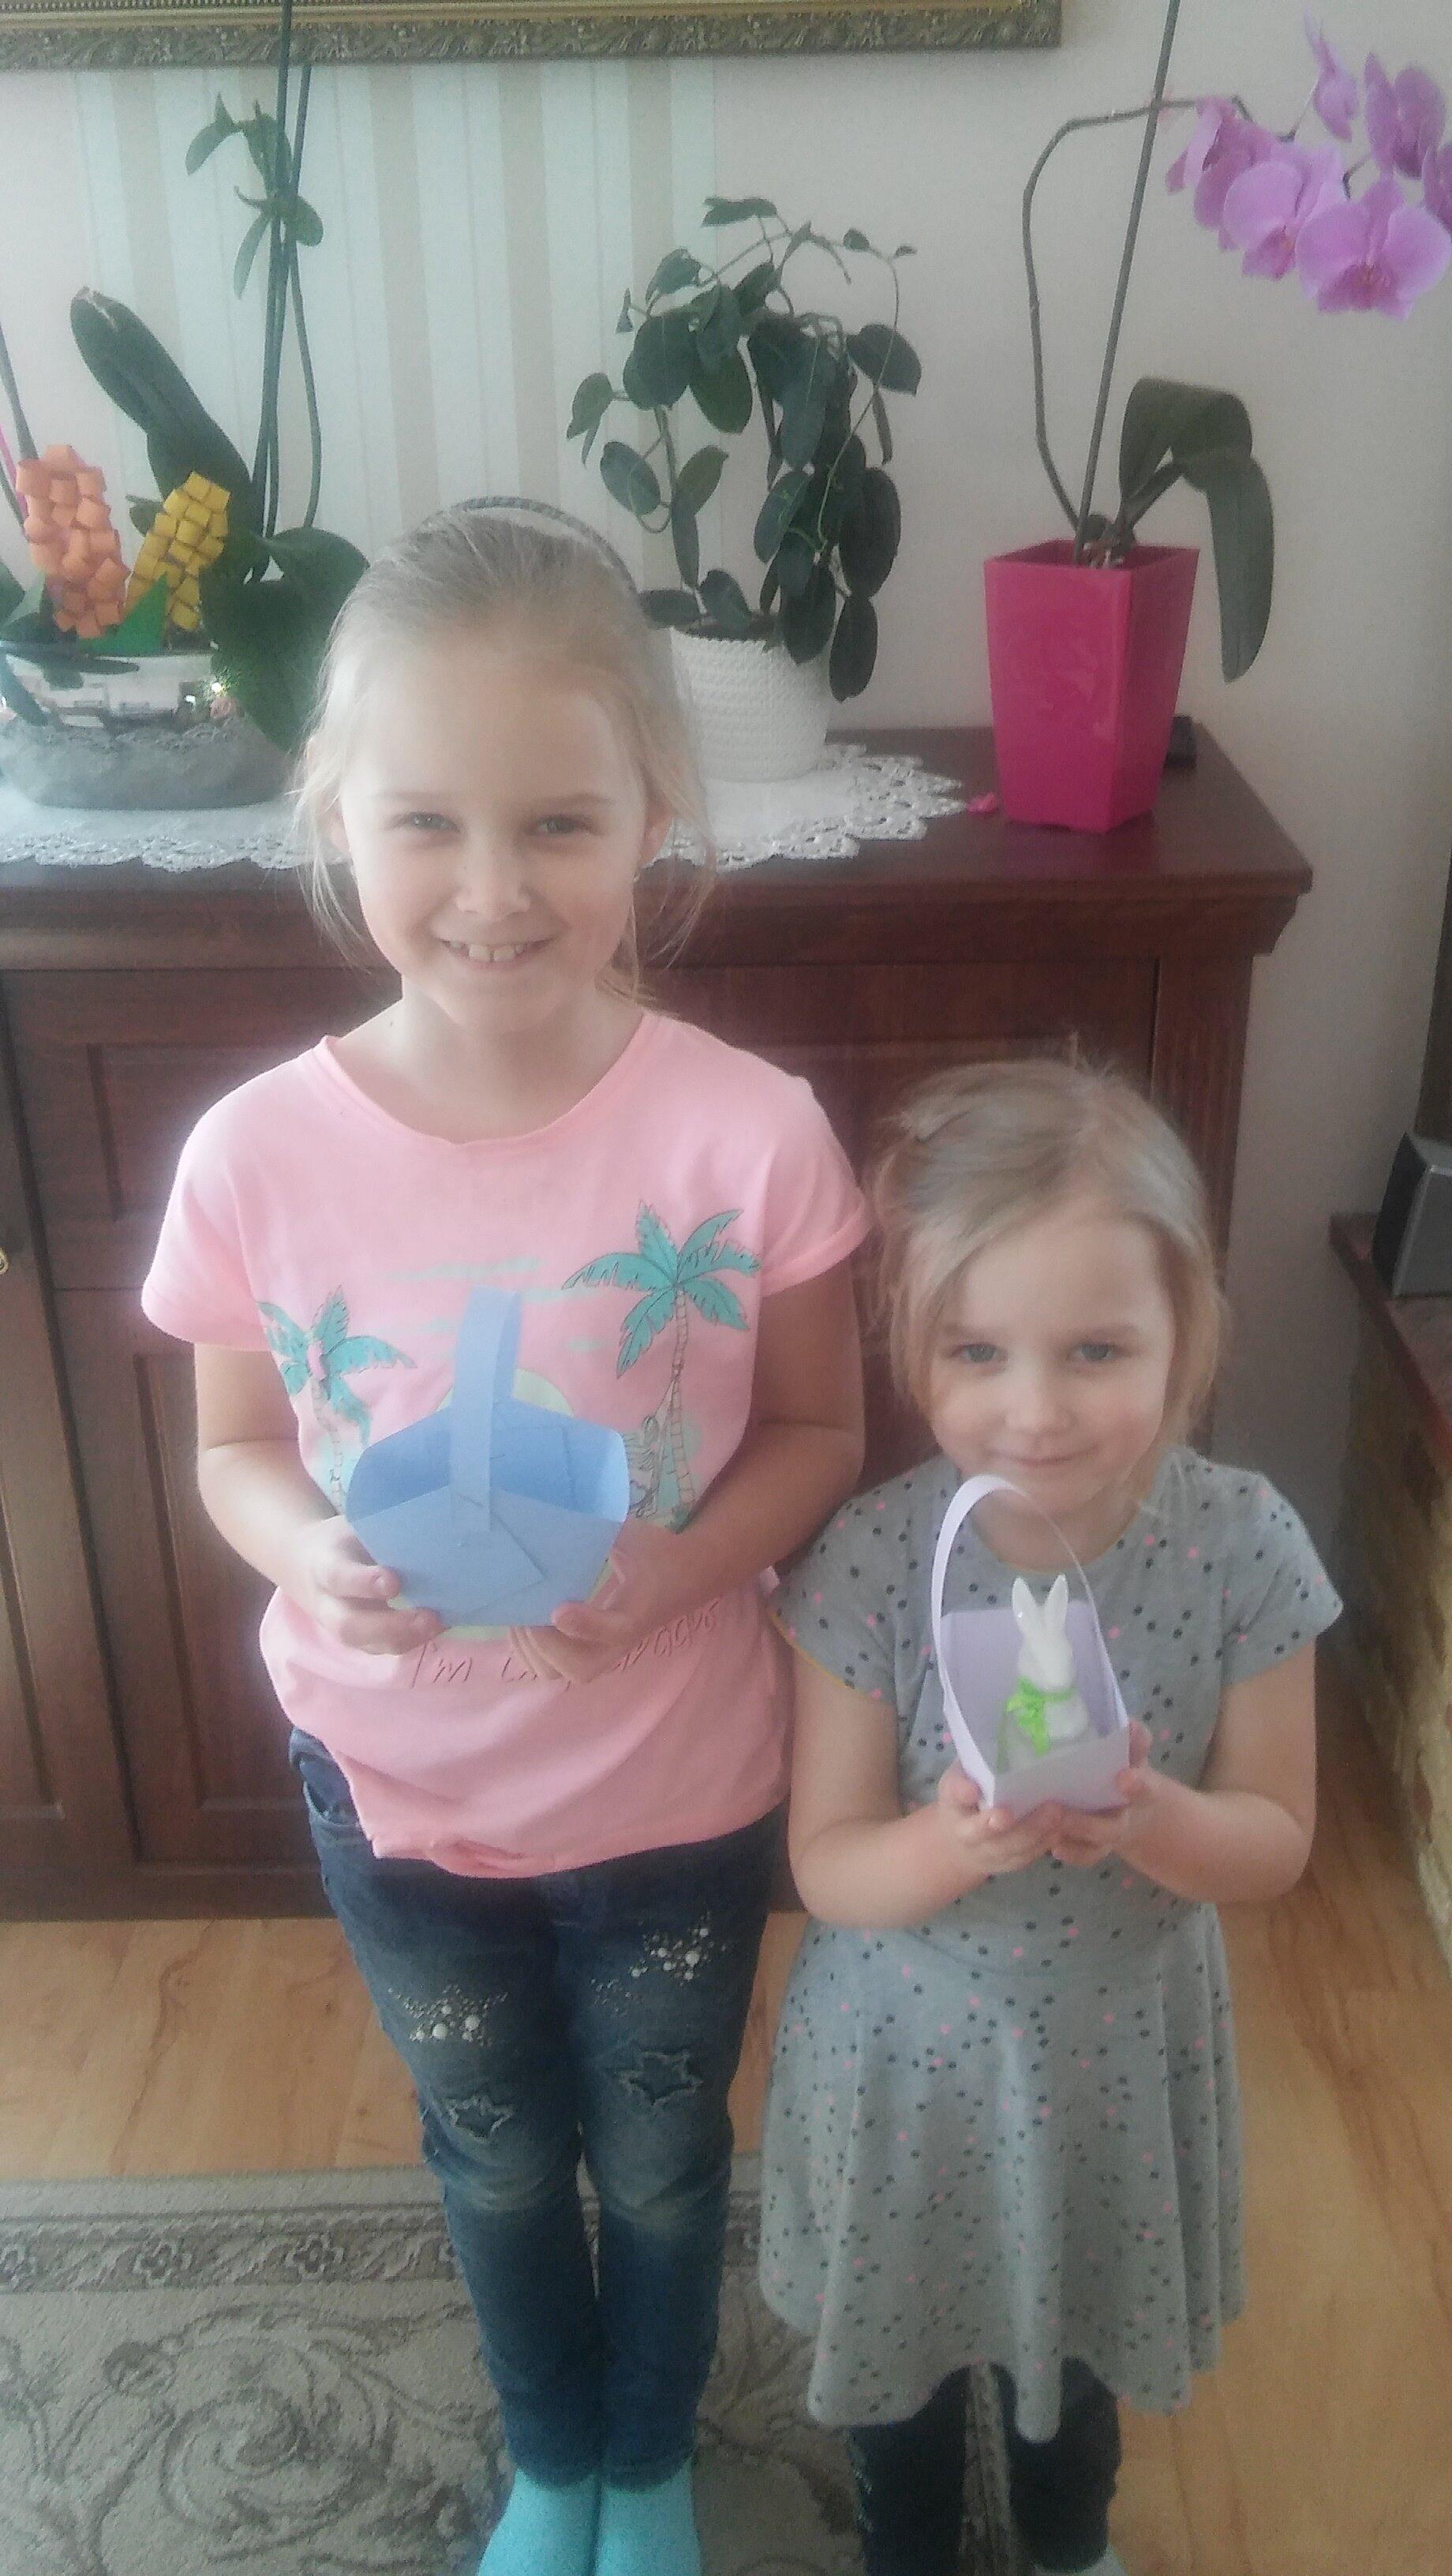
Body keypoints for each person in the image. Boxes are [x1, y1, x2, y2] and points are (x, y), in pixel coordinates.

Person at [140, 502, 868, 2576]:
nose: (491, 889)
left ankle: (647, 2462)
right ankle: (554, 2459)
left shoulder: (747, 1132)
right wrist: (307, 1553)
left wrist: (673, 1569)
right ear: (333, 816)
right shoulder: (256, 1156)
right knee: (491, 2154)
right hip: (396, 1789)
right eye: (426, 824)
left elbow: (819, 1429)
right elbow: (235, 1450)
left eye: (558, 822)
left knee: (660, 2157)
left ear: (653, 814)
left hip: (674, 1780)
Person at [759, 1058, 1340, 2576]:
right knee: (899, 2376)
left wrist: (1151, 1816)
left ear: (1186, 1332)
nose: (1035, 1410)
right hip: (909, 2057)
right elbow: (828, 1864)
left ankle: (1068, 2546)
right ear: (913, 1345)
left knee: (1075, 2365)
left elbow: (1276, 1839)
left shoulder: (1243, 1546)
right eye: (978, 1351)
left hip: (1115, 2057)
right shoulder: (874, 1561)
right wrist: (948, 1844)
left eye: (1096, 1350)